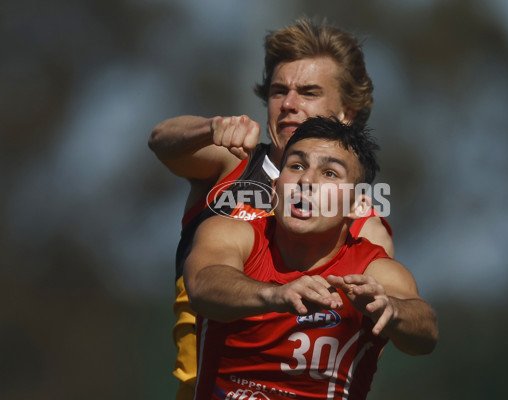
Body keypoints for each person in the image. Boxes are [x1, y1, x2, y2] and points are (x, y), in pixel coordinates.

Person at [148, 18, 401, 399]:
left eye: (309, 92)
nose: (289, 105)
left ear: (347, 112)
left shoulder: (362, 217)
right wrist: (210, 128)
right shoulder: (232, 160)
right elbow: (161, 142)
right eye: (279, 91)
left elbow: (369, 334)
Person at [184, 117, 438, 400]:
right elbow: (202, 285)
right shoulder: (230, 232)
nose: (307, 181)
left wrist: (392, 310)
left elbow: (426, 331)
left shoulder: (371, 270)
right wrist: (275, 295)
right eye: (296, 166)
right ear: (276, 185)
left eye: (330, 173)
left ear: (357, 205)